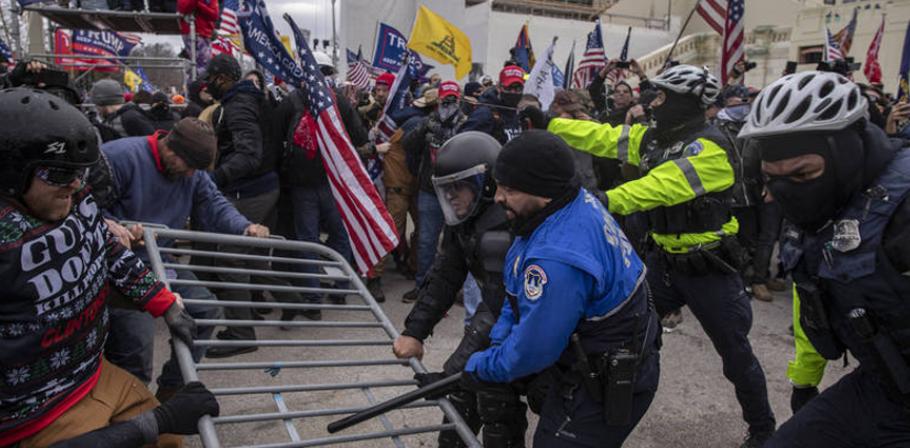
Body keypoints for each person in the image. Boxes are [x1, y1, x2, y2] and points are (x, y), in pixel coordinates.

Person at [539, 64, 776, 447]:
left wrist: (604, 201)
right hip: (663, 262)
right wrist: (550, 125)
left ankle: (763, 428)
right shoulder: (652, 138)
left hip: (709, 266)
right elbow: (602, 136)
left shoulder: (711, 147)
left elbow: (661, 186)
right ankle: (610, 413)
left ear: (684, 102)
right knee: (628, 337)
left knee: (735, 354)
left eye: (663, 95)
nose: (654, 102)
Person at [0, 87, 194, 447]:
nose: (74, 185)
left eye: (80, 174)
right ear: (11, 172)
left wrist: (160, 300)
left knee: (170, 440)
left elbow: (104, 246)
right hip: (32, 419)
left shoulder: (74, 199)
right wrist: (143, 427)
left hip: (92, 374)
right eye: (59, 174)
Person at [739, 71, 910, 447]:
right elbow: (813, 298)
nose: (786, 194)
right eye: (773, 179)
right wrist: (804, 380)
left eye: (804, 174)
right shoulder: (820, 212)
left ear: (845, 153)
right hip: (886, 390)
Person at [461, 130, 660, 447]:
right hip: (588, 361)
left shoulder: (557, 257)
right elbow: (515, 301)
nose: (498, 197)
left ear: (543, 192)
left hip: (603, 380)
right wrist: (495, 350)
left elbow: (534, 348)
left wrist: (480, 367)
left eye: (509, 189)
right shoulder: (562, 206)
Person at [101, 118, 265, 397]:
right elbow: (83, 206)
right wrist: (115, 224)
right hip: (124, 266)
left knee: (205, 312)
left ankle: (172, 392)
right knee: (136, 351)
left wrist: (245, 226)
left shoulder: (192, 173)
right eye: (187, 166)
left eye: (196, 170)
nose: (190, 175)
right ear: (170, 149)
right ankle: (128, 418)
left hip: (161, 259)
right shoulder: (120, 157)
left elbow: (214, 203)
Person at [393, 131, 525, 447]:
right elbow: (445, 276)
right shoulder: (468, 220)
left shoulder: (501, 231)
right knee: (462, 400)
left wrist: (453, 370)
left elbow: (497, 307)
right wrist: (415, 330)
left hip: (532, 330)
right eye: (446, 189)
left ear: (487, 184)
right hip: (503, 325)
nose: (451, 197)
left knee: (496, 403)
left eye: (459, 187)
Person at [203, 53, 281, 355]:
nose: (208, 84)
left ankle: (241, 333)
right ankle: (305, 299)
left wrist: (216, 178)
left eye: (211, 78)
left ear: (223, 78)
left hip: (251, 189)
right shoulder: (251, 99)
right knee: (253, 256)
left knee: (231, 256)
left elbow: (248, 154)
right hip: (262, 186)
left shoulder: (239, 105)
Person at [400, 81, 469, 303]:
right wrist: (425, 127)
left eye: (452, 99)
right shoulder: (427, 121)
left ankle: (448, 290)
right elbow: (407, 145)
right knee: (426, 241)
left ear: (459, 100)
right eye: (445, 99)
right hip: (429, 189)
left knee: (453, 243)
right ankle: (422, 286)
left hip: (454, 192)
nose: (448, 104)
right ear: (438, 100)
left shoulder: (466, 124)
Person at [47, 382, 219, 447]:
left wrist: (159, 301)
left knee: (168, 440)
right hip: (38, 413)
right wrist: (159, 420)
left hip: (87, 368)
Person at [461, 65, 526, 144]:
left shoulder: (522, 115)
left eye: (518, 88)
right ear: (498, 87)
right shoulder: (484, 114)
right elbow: (463, 143)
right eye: (508, 88)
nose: (513, 92)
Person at [90, 79, 155, 139]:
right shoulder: (109, 119)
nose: (96, 108)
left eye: (97, 104)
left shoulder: (131, 118)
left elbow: (152, 143)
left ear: (103, 102)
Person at [177, 0, 218, 77]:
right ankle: (196, 85)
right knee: (198, 65)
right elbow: (183, 8)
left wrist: (199, 5)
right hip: (189, 33)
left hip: (206, 34)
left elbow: (214, 15)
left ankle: (199, 85)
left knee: (205, 64)